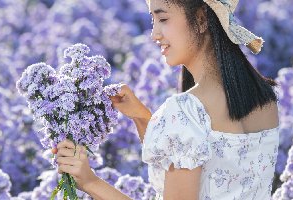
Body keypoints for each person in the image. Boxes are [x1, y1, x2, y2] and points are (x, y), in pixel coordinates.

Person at [52, 0, 280, 199]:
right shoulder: (266, 99)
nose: (154, 34)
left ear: (201, 19)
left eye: (162, 18)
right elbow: (211, 162)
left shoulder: (185, 111)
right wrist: (143, 119)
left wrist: (91, 182)